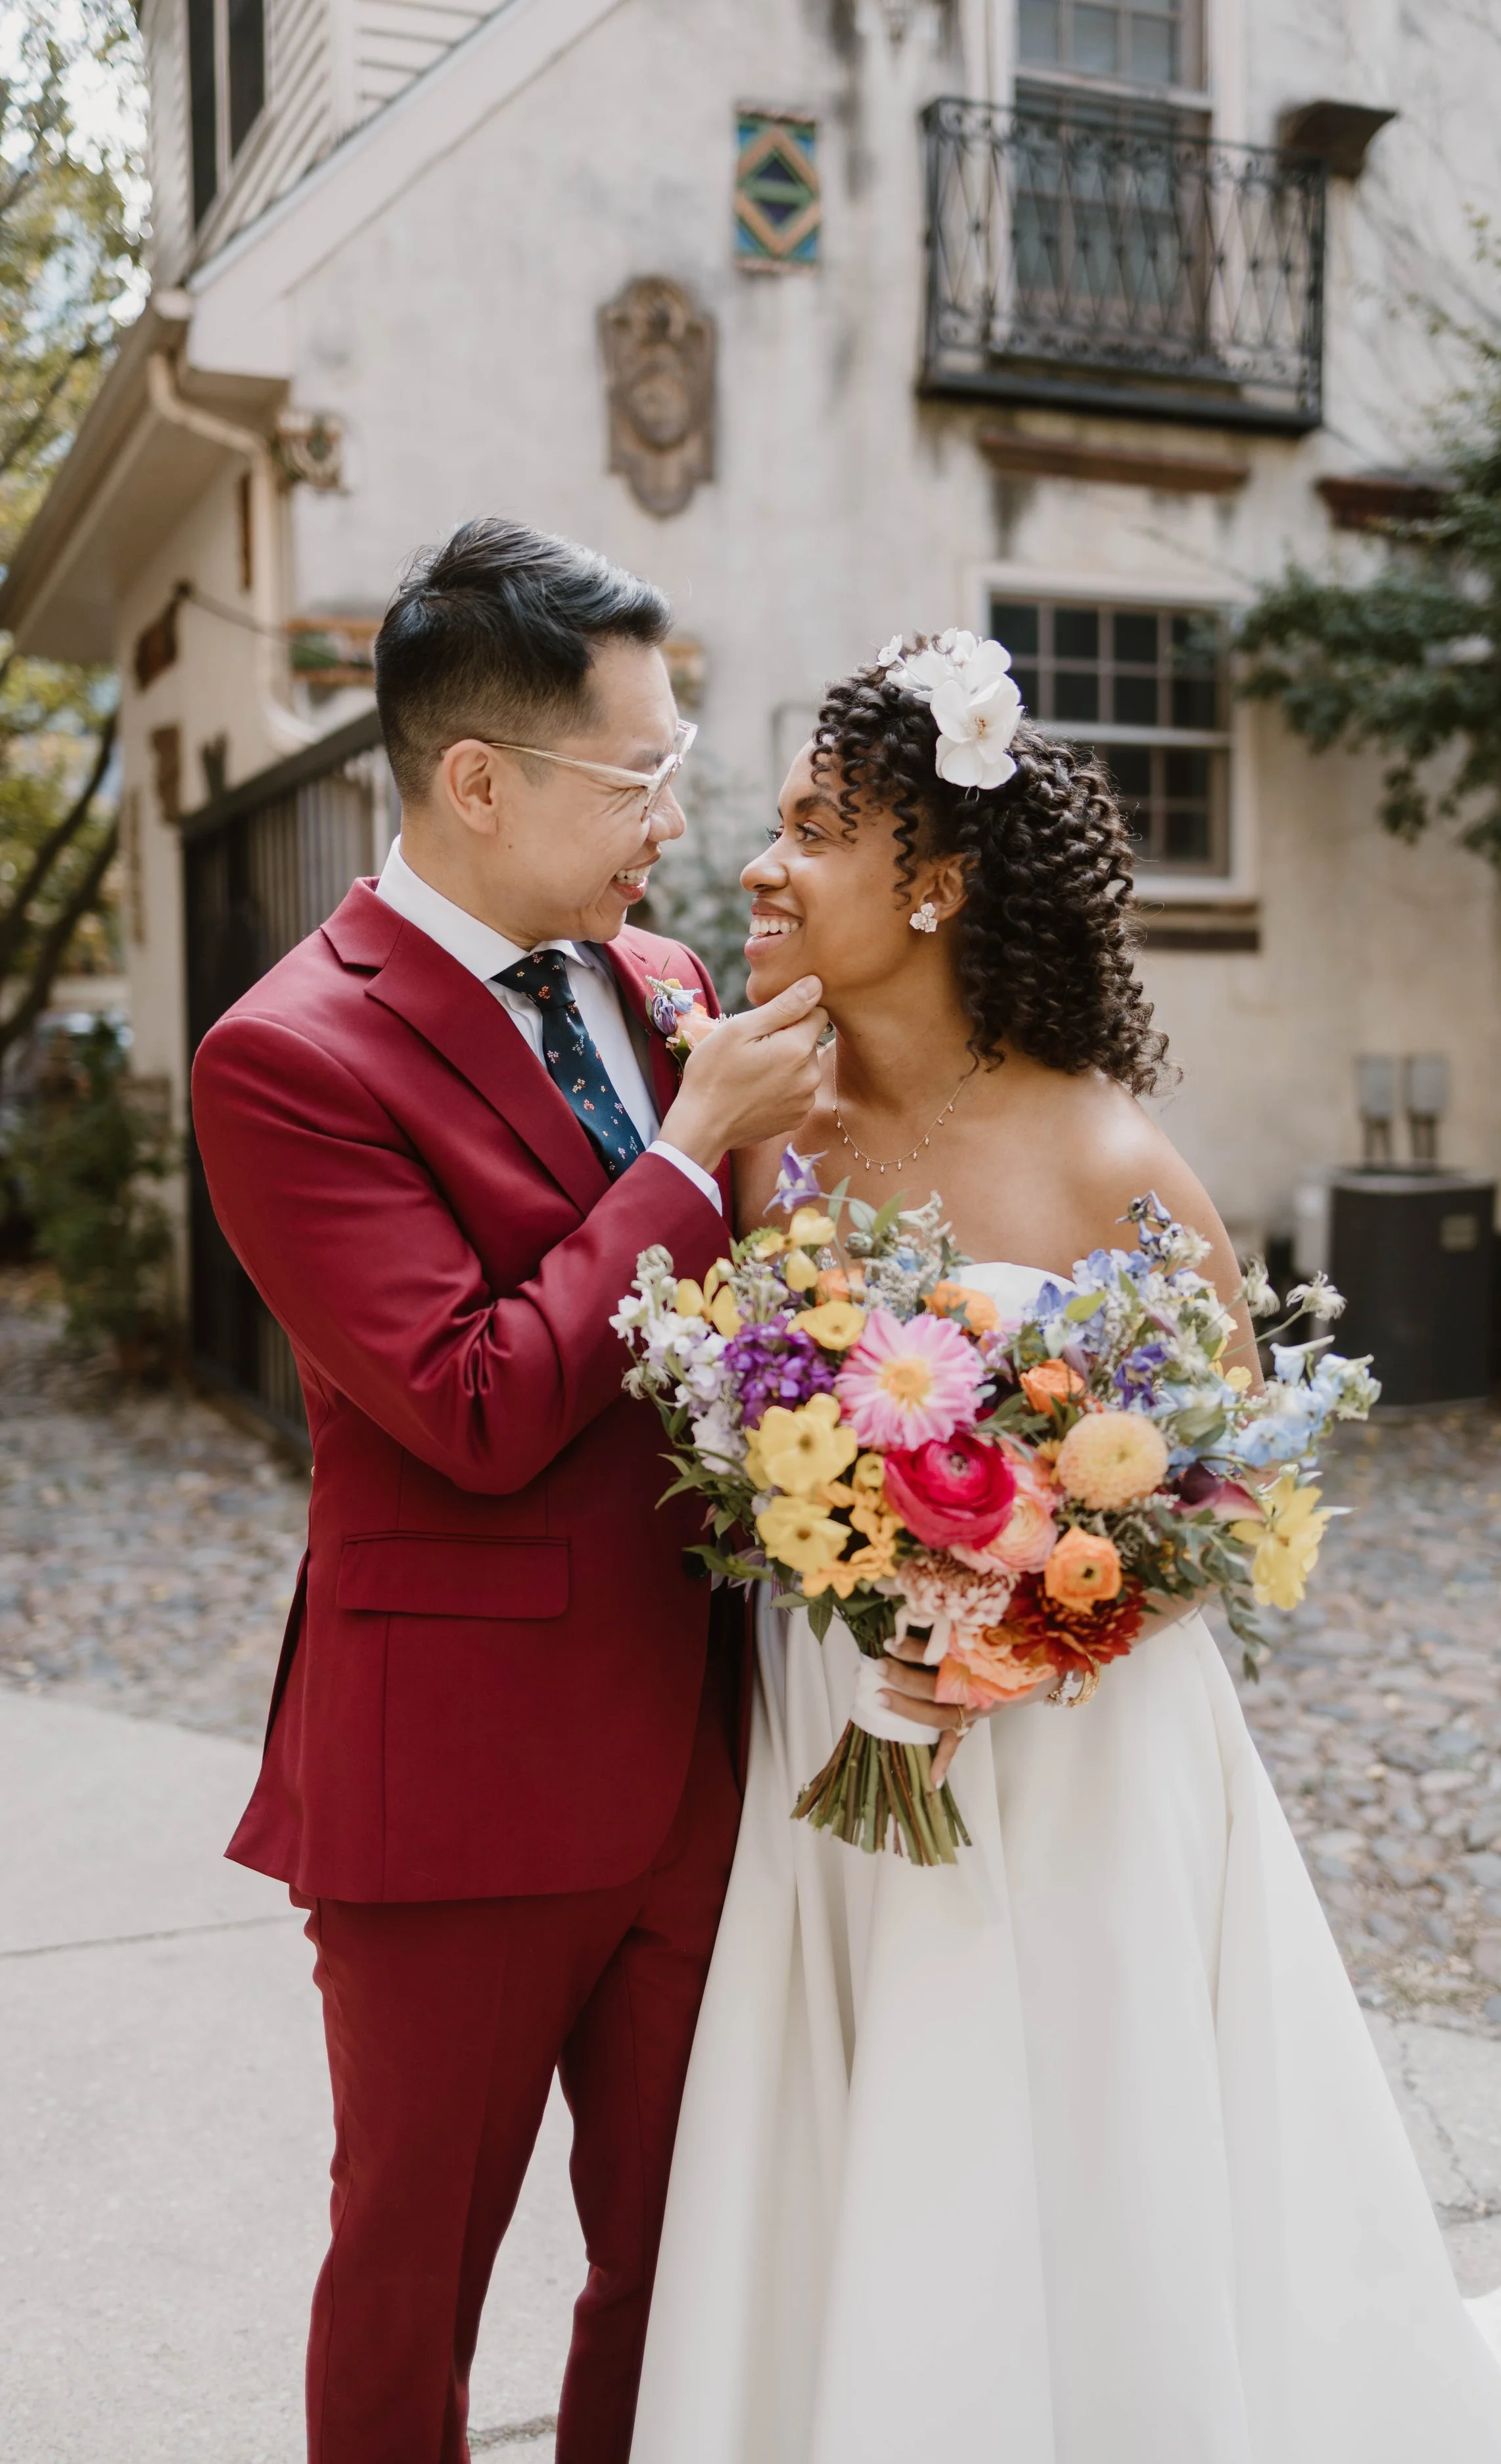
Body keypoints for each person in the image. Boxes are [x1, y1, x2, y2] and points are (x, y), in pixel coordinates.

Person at [629, 635, 1501, 2464]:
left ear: (933, 883)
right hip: (838, 1718)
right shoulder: (773, 1138)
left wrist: (1032, 1629)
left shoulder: (1110, 1160)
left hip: (1079, 1752)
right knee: (869, 2108)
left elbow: (1227, 1496)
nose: (761, 862)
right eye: (772, 823)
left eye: (812, 829)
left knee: (1096, 2117)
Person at [190, 519, 827, 2464]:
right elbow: (470, 1400)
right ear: (477, 780)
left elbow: (745, 1309)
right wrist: (687, 1150)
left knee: (680, 2262)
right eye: (637, 777)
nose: (671, 815)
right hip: (449, 1788)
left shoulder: (660, 977)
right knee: (411, 2291)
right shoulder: (286, 1053)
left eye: (675, 764)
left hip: (691, 1758)